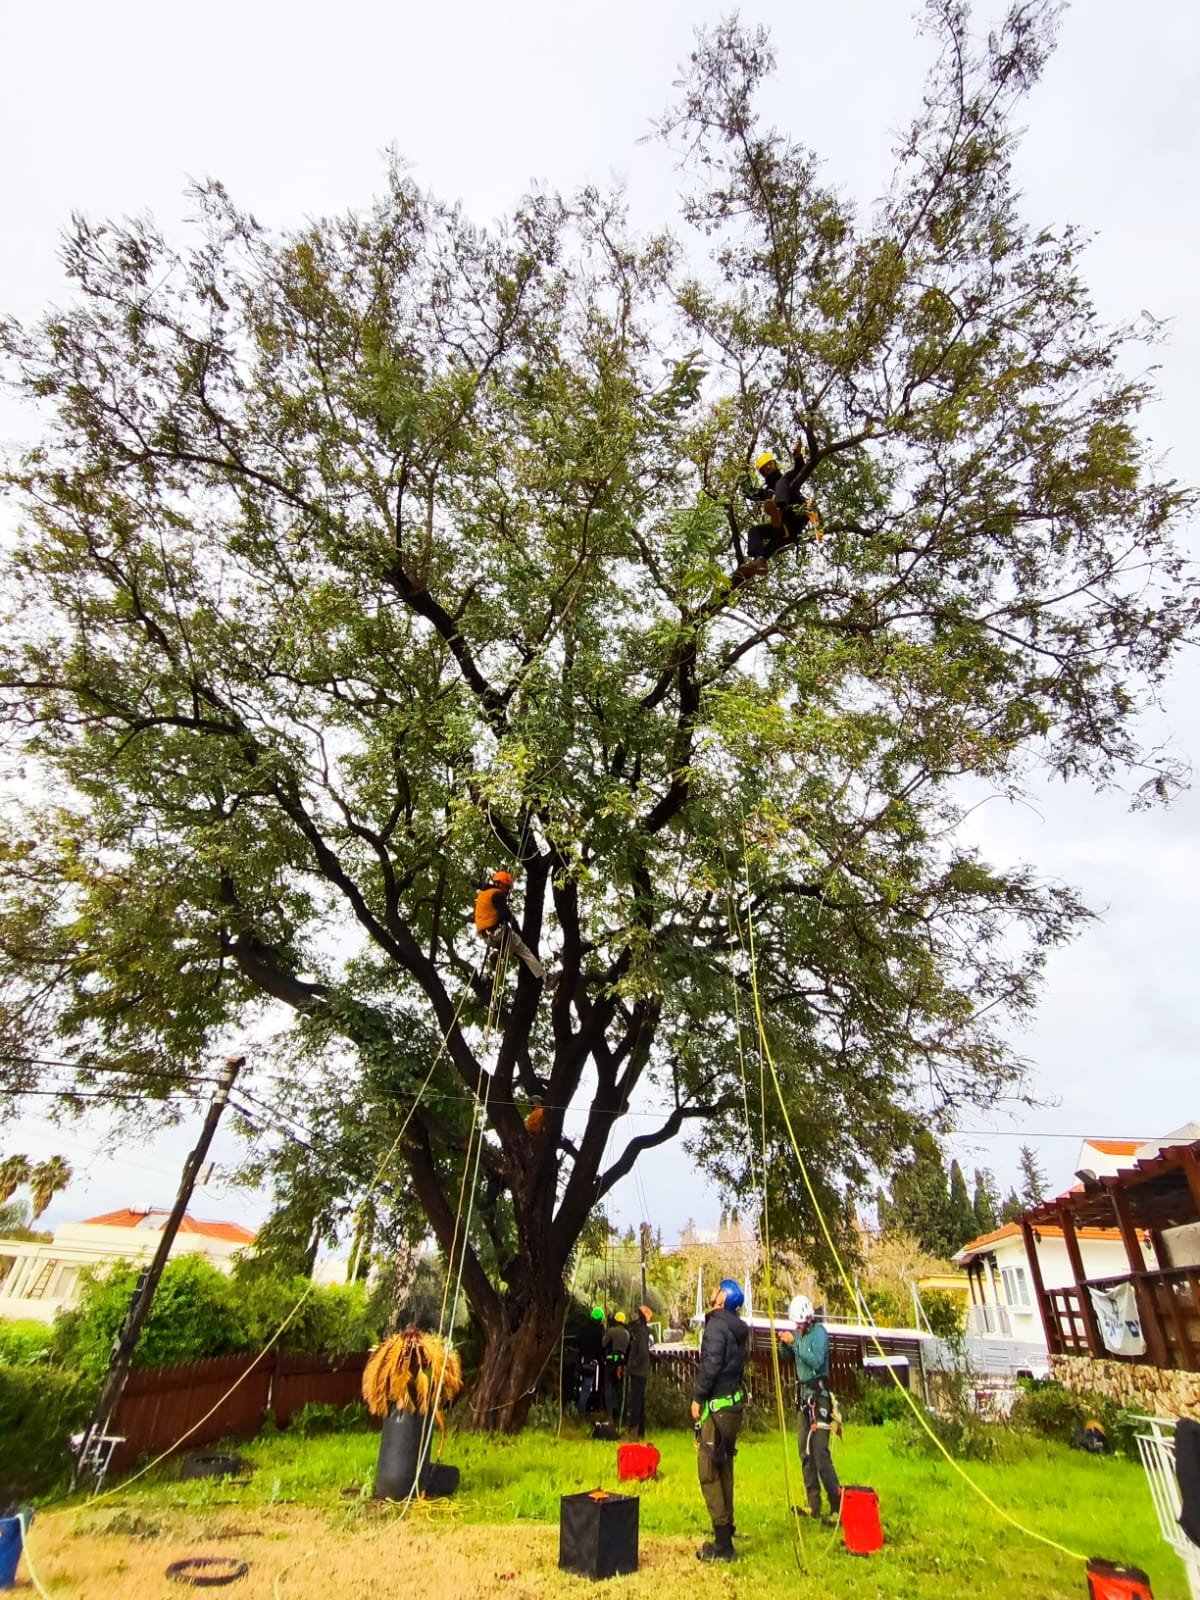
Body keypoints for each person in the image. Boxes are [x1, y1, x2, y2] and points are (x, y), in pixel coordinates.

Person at [691, 1278, 748, 1563]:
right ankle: (727, 1528)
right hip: (733, 1407)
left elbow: (711, 1364)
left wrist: (698, 1397)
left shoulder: (717, 1326)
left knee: (709, 1469)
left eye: (717, 1289)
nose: (712, 1292)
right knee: (724, 1466)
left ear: (722, 1299)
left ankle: (723, 1544)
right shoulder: (738, 1328)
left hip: (718, 1409)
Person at [779, 1294, 842, 1525]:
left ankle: (837, 1505)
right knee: (804, 1452)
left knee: (820, 1452)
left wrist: (794, 1344)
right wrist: (784, 1343)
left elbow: (815, 1361)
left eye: (800, 1323)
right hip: (803, 1399)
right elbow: (787, 1357)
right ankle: (813, 1504)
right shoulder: (798, 1334)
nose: (798, 1327)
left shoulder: (819, 1334)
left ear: (809, 1319)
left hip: (819, 1398)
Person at [738, 442, 822, 578]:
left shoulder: (787, 478)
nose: (768, 467)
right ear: (762, 473)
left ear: (775, 464)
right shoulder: (767, 492)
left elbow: (800, 469)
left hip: (795, 517)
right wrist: (744, 474)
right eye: (765, 468)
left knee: (782, 481)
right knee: (755, 531)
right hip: (783, 528)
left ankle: (779, 508)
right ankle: (759, 561)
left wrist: (798, 456)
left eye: (770, 464)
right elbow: (750, 493)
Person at [474, 870, 554, 986]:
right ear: (500, 884)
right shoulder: (497, 895)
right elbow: (507, 916)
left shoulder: (485, 893)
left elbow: (482, 886)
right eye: (507, 887)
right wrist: (520, 934)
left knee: (513, 947)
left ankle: (501, 953)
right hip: (499, 933)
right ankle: (546, 978)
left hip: (487, 938)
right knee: (524, 951)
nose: (507, 891)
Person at [624, 1306, 653, 1439]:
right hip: (640, 1371)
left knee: (636, 1401)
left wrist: (632, 1365)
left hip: (638, 1371)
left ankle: (634, 1431)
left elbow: (642, 1353)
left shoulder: (641, 1332)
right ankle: (640, 1430)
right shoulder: (641, 1331)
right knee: (639, 1400)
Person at [602, 1310, 631, 1426]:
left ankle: (610, 1417)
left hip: (611, 1362)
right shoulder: (627, 1334)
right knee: (620, 1390)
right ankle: (621, 1418)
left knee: (609, 1389)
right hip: (621, 1363)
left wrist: (605, 1334)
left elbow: (603, 1343)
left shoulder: (612, 1331)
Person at [577, 1306, 605, 1419]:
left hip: (583, 1360)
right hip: (592, 1361)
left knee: (582, 1386)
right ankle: (582, 1413)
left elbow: (580, 1343)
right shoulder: (598, 1332)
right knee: (586, 1388)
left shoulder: (584, 1328)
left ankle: (580, 1409)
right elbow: (599, 1347)